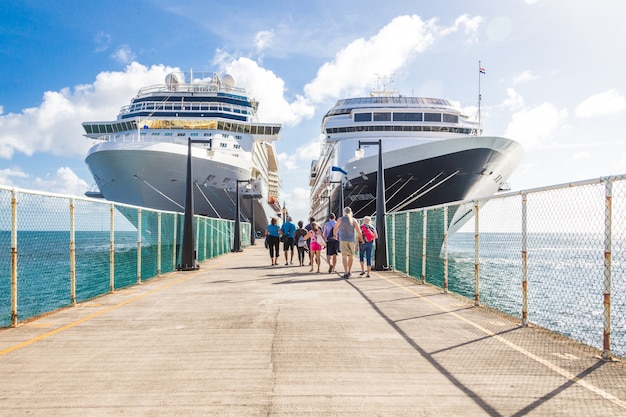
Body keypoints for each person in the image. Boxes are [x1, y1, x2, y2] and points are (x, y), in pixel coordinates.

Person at [333, 206, 363, 279]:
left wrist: (335, 235)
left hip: (343, 239)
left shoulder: (340, 219)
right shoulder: (354, 220)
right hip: (351, 240)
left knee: (344, 256)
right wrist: (361, 239)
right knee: (350, 256)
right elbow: (359, 231)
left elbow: (335, 228)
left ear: (344, 212)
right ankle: (349, 271)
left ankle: (345, 272)